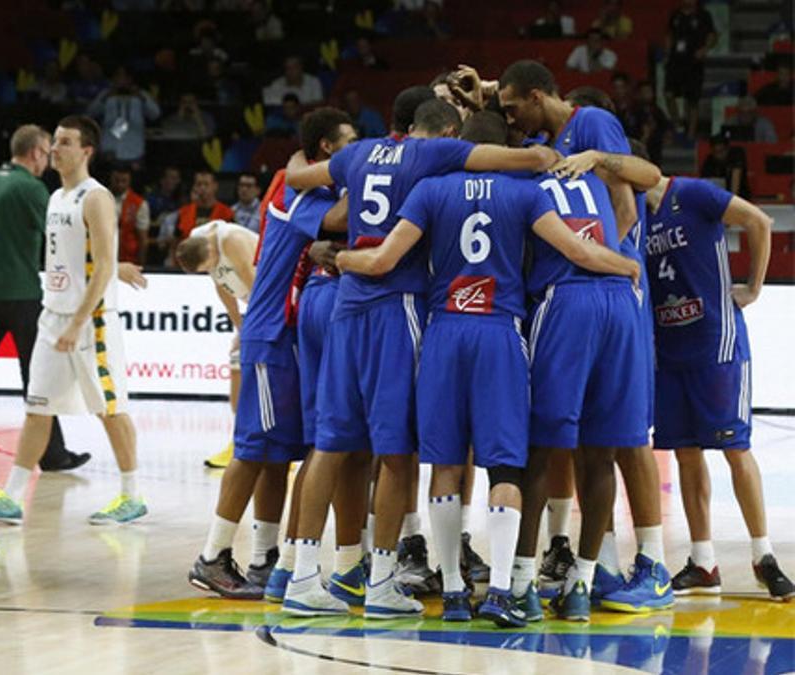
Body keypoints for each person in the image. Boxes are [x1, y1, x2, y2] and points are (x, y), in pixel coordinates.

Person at [335, 111, 640, 627]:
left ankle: (453, 589)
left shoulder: (431, 190)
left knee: (446, 465)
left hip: (445, 331)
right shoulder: (523, 193)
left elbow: (386, 256)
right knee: (504, 465)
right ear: (501, 150)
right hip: (499, 332)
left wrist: (342, 260)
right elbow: (573, 248)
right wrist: (625, 263)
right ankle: (501, 590)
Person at [280, 99, 560, 618]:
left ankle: (298, 576)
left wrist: (326, 237)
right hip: (400, 305)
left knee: (329, 443)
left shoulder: (357, 153)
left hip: (347, 302)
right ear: (446, 133)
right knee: (396, 452)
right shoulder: (435, 158)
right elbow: (529, 163)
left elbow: (296, 178)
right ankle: (384, 580)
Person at [499, 59, 673, 619]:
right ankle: (583, 579)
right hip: (617, 300)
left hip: (577, 294)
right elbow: (635, 190)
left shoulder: (566, 146)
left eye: (511, 109)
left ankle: (525, 581)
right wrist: (615, 265)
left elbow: (627, 200)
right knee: (604, 446)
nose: (512, 123)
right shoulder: (578, 165)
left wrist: (609, 259)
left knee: (548, 447)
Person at [188, 108, 354, 600]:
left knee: (281, 452)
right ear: (326, 147)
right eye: (350, 143)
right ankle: (212, 554)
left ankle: (263, 558)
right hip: (269, 330)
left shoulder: (316, 188)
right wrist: (384, 172)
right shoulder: (291, 181)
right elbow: (341, 217)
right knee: (254, 449)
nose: (357, 150)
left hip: (291, 332)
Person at [0, 116, 146, 526]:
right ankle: (13, 497)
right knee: (37, 407)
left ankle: (131, 496)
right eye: (54, 141)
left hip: (89, 322)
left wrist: (79, 320)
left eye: (65, 142)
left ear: (86, 151)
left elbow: (104, 263)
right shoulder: (55, 196)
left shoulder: (95, 197)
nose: (56, 148)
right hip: (52, 316)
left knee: (110, 409)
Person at [643, 174, 794, 602]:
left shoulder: (691, 193)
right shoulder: (637, 214)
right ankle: (703, 561)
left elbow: (759, 221)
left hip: (716, 344)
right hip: (669, 349)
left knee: (735, 448)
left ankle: (763, 555)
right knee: (686, 452)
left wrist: (754, 288)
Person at [0, 126, 91, 472]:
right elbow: (61, 236)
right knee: (38, 379)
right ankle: (53, 454)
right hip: (22, 293)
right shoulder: (33, 188)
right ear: (36, 152)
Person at [176, 219, 257, 466]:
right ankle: (239, 440)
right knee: (236, 366)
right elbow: (222, 288)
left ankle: (285, 450)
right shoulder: (198, 237)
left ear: (211, 252)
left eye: (206, 267)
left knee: (265, 372)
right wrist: (240, 328)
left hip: (272, 298)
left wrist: (253, 327)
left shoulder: (231, 241)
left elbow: (258, 285)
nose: (208, 270)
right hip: (251, 305)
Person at [664, 0, 718, 139]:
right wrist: (667, 51)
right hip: (675, 61)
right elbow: (669, 34)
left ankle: (691, 133)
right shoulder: (675, 15)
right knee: (669, 94)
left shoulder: (703, 15)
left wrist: (704, 50)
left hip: (693, 61)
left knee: (692, 99)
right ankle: (677, 125)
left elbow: (712, 35)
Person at [86, 66, 160, 166]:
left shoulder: (140, 95)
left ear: (131, 79)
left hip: (134, 150)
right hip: (110, 149)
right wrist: (105, 97)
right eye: (119, 76)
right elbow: (90, 113)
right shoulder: (106, 95)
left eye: (125, 77)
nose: (122, 80)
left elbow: (155, 114)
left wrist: (141, 97)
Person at [175, 170, 234, 245]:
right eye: (199, 184)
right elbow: (176, 241)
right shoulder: (183, 212)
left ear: (215, 186)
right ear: (194, 187)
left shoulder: (227, 213)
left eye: (206, 184)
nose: (202, 188)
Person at [700, 132, 750, 198]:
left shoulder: (737, 153)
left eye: (721, 151)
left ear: (727, 148)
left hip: (740, 197)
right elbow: (705, 184)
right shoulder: (709, 162)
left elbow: (736, 175)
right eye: (716, 152)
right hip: (718, 199)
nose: (719, 156)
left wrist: (733, 200)